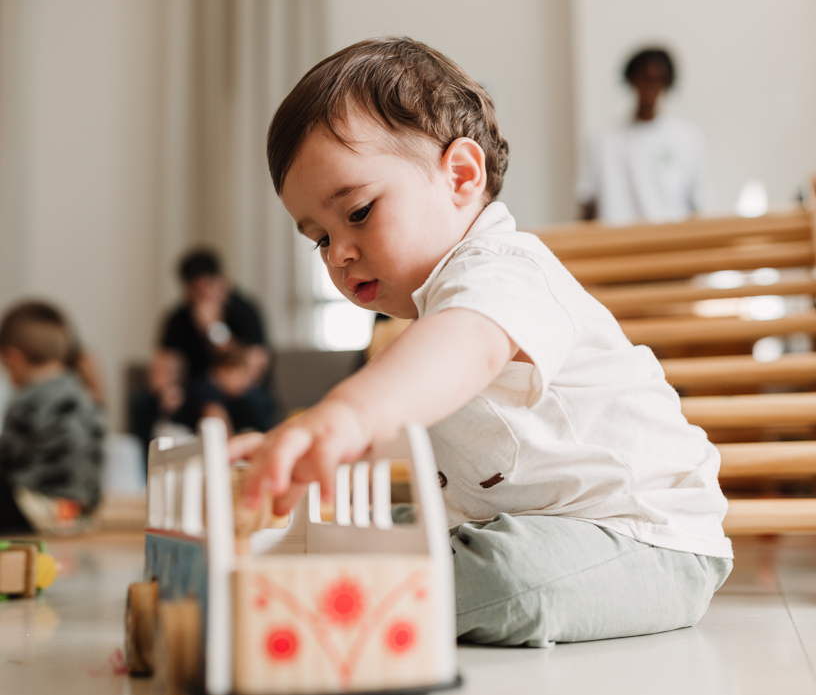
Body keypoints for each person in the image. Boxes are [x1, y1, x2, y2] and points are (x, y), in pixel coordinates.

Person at [231, 37, 732, 649]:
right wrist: (310, 448)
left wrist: (345, 416)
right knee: (384, 529)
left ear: (461, 176)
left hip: (646, 540)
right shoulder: (435, 309)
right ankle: (310, 573)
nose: (339, 253)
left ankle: (317, 611)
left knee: (505, 574)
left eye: (358, 212)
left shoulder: (503, 270)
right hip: (523, 522)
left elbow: (462, 348)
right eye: (318, 238)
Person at [130, 249, 276, 460]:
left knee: (252, 400)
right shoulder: (178, 317)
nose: (204, 296)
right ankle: (151, 473)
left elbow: (254, 368)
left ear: (222, 282)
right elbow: (163, 363)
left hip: (238, 388)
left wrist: (214, 330)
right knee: (143, 402)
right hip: (195, 391)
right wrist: (166, 389)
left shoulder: (244, 310)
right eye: (196, 290)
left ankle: (248, 463)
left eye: (209, 287)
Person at [0, 301, 105, 534]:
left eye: (5, 367)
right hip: (81, 513)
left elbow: (6, 460)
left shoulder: (27, 401)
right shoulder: (83, 394)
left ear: (14, 358)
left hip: (37, 511)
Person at [576, 47, 706, 224]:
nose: (650, 87)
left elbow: (697, 204)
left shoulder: (688, 138)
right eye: (644, 78)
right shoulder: (602, 139)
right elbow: (587, 203)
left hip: (671, 243)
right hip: (616, 244)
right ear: (631, 81)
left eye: (658, 80)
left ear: (668, 83)